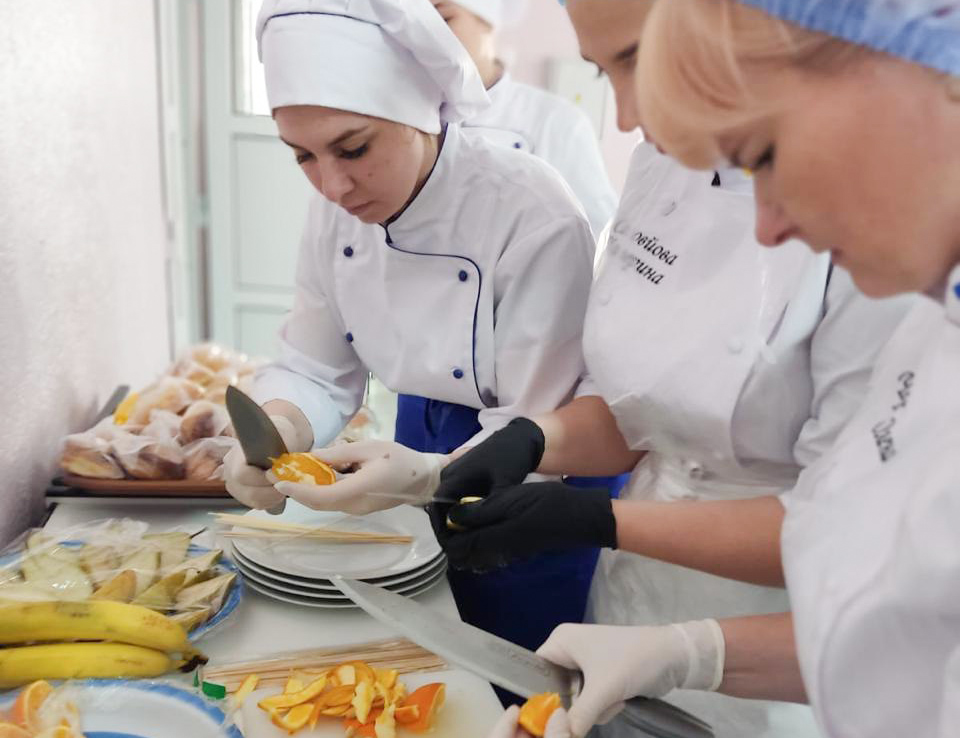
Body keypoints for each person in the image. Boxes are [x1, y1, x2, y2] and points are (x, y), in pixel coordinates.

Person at [280, 1, 913, 735]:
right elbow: (645, 407)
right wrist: (515, 446)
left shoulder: (894, 239)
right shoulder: (660, 166)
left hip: (780, 647)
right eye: (604, 71)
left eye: (638, 59)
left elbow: (848, 534)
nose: (628, 116)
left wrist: (600, 519)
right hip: (628, 609)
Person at [491, 0, 960, 736]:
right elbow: (881, 615)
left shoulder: (899, 300)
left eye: (765, 155)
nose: (769, 227)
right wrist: (685, 654)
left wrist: (603, 527)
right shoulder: (934, 330)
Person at [222, 0, 602, 698]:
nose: (331, 185)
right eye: (302, 155)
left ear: (421, 108)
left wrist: (430, 476)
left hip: (539, 480)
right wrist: (277, 428)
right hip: (417, 434)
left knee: (518, 690)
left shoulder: (533, 212)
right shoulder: (334, 213)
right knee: (426, 676)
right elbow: (316, 366)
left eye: (354, 149)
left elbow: (538, 428)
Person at [427, 0, 618, 238]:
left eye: (444, 20)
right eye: (417, 24)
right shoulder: (404, 121)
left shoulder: (557, 121)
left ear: (487, 21)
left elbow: (600, 235)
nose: (426, 38)